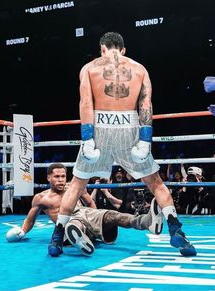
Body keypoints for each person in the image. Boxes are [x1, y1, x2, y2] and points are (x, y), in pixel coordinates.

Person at [49, 32, 196, 257]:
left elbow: (86, 102)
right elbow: (146, 105)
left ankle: (57, 238)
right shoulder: (140, 69)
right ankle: (176, 231)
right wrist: (145, 140)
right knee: (155, 183)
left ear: (102, 49)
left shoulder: (89, 68)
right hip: (131, 127)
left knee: (77, 184)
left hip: (99, 128)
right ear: (123, 49)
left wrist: (87, 138)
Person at [6, 163, 163, 256]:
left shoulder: (75, 188)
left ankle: (146, 221)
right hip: (68, 223)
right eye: (56, 177)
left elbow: (90, 204)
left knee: (113, 215)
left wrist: (98, 215)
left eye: (63, 176)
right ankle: (79, 237)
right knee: (72, 224)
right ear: (48, 178)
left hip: (86, 215)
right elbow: (30, 219)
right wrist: (22, 233)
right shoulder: (41, 198)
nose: (61, 180)